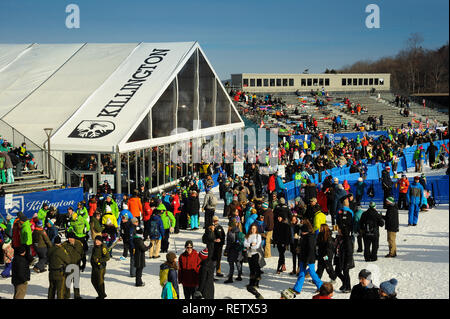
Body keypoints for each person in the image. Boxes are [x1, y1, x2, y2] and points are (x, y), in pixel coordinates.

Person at [292, 220, 323, 294]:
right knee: (301, 273)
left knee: (312, 273)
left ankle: (321, 287)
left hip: (310, 259)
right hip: (303, 257)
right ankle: (297, 289)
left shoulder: (310, 238)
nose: (301, 233)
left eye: (302, 231)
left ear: (305, 231)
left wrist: (308, 260)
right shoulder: (304, 236)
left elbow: (311, 250)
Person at [62, 232, 84, 299]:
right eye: (68, 238)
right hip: (68, 266)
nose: (69, 239)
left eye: (71, 238)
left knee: (76, 282)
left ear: (74, 238)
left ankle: (77, 295)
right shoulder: (64, 245)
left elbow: (82, 254)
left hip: (77, 265)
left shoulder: (79, 244)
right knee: (68, 282)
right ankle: (66, 295)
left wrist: (84, 263)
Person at [273, 205, 291, 274]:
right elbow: (275, 234)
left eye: (280, 217)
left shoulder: (286, 225)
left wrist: (286, 243)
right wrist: (274, 241)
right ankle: (283, 265)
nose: (278, 218)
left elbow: (287, 235)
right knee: (281, 254)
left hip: (283, 242)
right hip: (278, 242)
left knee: (281, 255)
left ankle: (279, 268)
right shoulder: (277, 224)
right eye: (278, 217)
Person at [244, 224, 263, 291]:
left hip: (256, 253)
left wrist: (249, 246)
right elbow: (245, 243)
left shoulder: (258, 236)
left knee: (256, 267)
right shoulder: (248, 236)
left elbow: (257, 245)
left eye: (254, 228)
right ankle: (251, 283)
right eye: (252, 228)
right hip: (249, 254)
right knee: (251, 268)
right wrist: (251, 244)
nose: (253, 230)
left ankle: (256, 283)